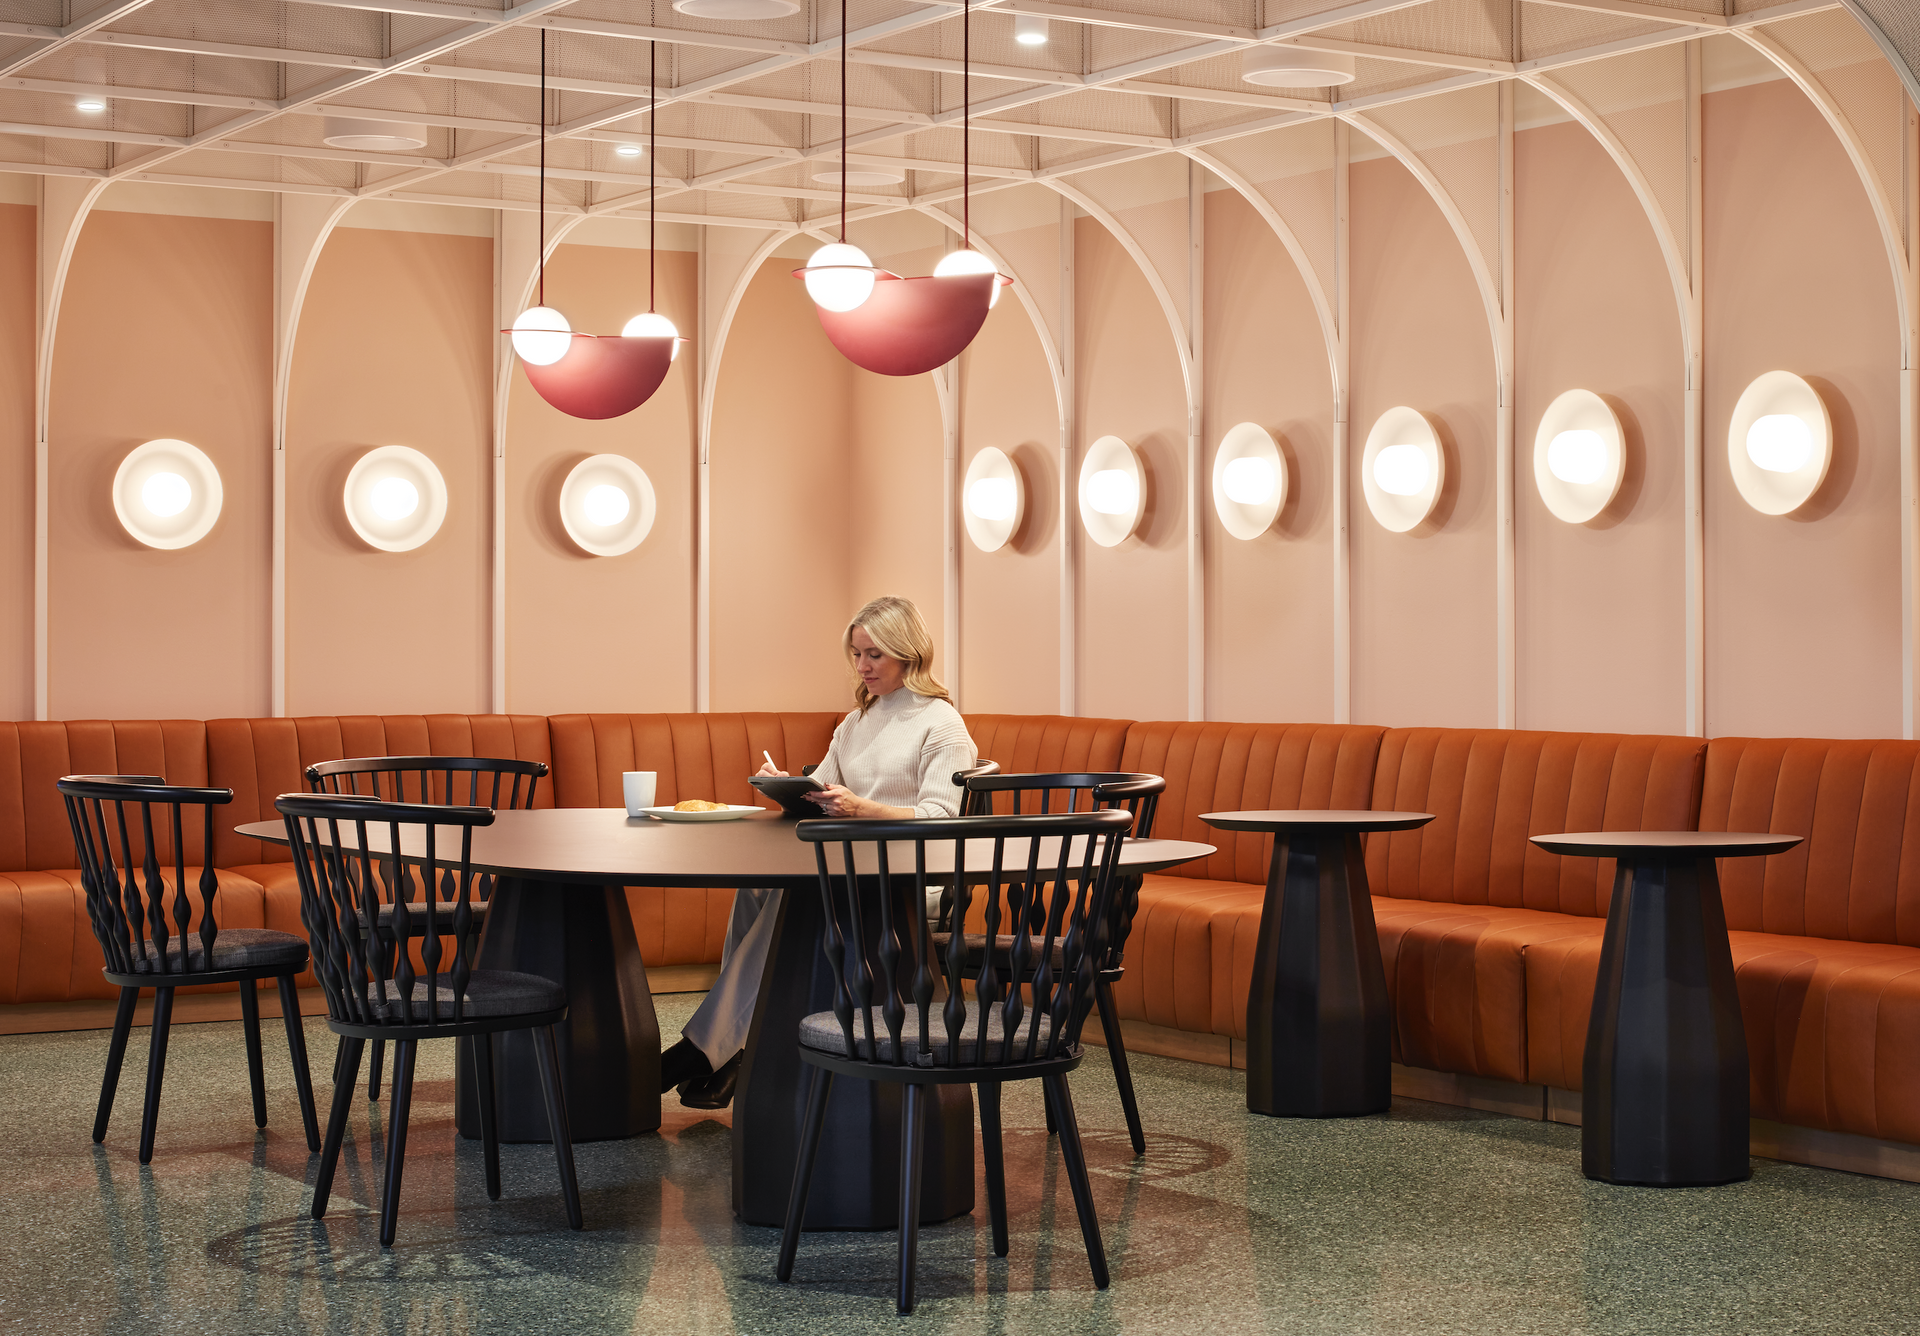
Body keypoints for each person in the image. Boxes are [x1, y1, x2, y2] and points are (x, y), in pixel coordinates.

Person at [661, 595, 978, 1109]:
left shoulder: (941, 724)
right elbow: (822, 788)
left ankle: (703, 1048)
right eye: (856, 654)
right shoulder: (857, 721)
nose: (862, 666)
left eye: (874, 654)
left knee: (794, 901)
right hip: (850, 870)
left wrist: (864, 810)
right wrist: (786, 786)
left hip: (908, 880)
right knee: (757, 888)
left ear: (908, 652)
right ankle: (736, 1046)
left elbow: (942, 820)